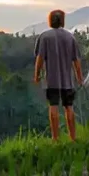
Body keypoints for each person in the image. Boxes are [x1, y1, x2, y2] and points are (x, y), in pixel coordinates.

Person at [33, 9, 83, 141]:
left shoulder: (45, 37)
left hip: (51, 79)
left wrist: (37, 74)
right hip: (68, 80)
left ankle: (56, 138)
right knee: (69, 107)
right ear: (63, 20)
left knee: (53, 107)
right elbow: (76, 60)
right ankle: (73, 137)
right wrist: (79, 77)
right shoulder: (70, 37)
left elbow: (40, 58)